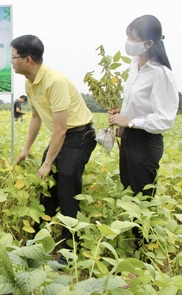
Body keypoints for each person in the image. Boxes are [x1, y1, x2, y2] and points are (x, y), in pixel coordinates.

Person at [11, 35, 97, 260]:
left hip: (79, 135)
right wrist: (26, 148)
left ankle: (70, 253)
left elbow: (60, 129)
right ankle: (36, 242)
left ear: (27, 59)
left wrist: (48, 162)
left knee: (67, 187)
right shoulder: (29, 83)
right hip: (63, 136)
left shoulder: (55, 82)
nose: (11, 61)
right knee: (46, 188)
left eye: (14, 57)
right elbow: (36, 118)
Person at [108, 15, 178, 244]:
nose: (127, 41)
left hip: (146, 142)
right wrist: (122, 116)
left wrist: (129, 122)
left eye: (133, 37)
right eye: (127, 35)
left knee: (142, 198)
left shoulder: (161, 73)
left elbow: (165, 119)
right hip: (130, 138)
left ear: (149, 43)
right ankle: (132, 244)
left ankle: (142, 249)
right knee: (128, 193)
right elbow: (135, 105)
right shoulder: (134, 66)